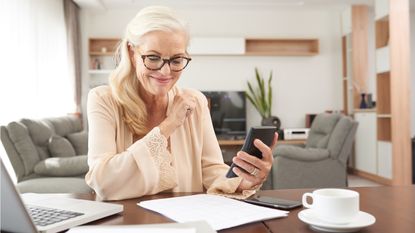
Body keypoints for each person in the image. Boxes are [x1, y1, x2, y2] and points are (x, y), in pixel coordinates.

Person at [86, 5, 278, 200]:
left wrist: (244, 181)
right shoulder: (103, 99)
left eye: (177, 60)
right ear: (132, 53)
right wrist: (169, 125)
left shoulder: (195, 101)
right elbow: (103, 183)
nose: (165, 72)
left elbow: (211, 170)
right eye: (153, 58)